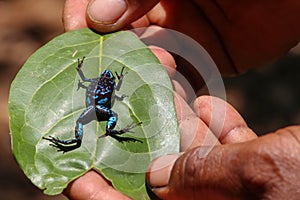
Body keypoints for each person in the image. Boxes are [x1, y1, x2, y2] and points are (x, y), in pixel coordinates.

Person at [62, 0, 300, 199]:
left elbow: (111, 91)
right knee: (85, 123)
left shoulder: (108, 82)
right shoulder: (103, 82)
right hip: (99, 108)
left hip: (103, 109)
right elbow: (88, 84)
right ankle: (79, 141)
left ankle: (107, 135)